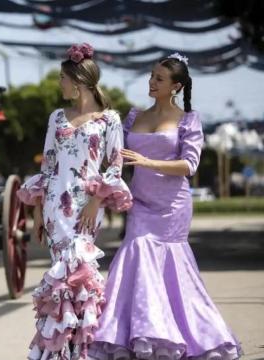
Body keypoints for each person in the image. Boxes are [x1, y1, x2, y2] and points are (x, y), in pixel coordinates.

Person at [89, 54, 242, 360]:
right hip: (140, 204)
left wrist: (148, 162)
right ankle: (133, 337)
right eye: (151, 76)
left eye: (159, 78)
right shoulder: (132, 117)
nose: (151, 82)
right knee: (137, 254)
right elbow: (115, 158)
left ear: (176, 86)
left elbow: (189, 165)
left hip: (172, 207)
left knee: (167, 271)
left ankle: (187, 337)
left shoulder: (188, 120)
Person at [17, 43, 132, 360]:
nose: (59, 84)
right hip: (55, 207)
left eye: (62, 78)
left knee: (80, 273)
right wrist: (38, 211)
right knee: (61, 276)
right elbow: (48, 167)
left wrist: (96, 201)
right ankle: (59, 351)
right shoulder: (57, 117)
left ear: (78, 81)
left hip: (86, 208)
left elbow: (115, 166)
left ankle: (84, 349)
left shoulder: (109, 120)